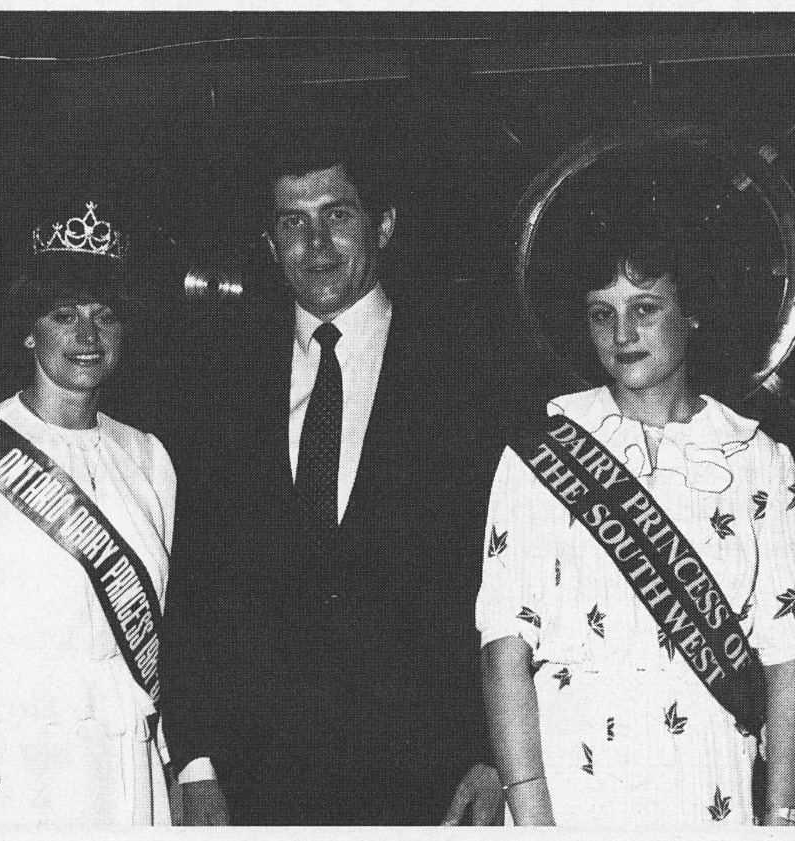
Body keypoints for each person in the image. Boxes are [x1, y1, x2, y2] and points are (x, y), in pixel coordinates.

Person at [160, 144, 515, 825]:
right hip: (256, 786)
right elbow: (197, 582)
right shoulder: (219, 382)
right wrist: (197, 760)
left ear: (383, 225)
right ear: (270, 245)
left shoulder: (467, 369)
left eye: (337, 214)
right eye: (293, 223)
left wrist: (491, 751)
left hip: (430, 782)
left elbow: (510, 578)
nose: (316, 243)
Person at [478, 231, 795, 826]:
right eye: (601, 313)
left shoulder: (759, 458)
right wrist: (531, 813)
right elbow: (505, 649)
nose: (622, 333)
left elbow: (787, 659)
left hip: (710, 775)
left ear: (690, 314)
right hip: (572, 774)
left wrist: (784, 819)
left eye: (644, 308)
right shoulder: (541, 452)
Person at [0, 202, 176, 826]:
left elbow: (159, 639)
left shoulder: (148, 457)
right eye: (65, 315)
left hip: (127, 766)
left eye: (105, 316)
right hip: (18, 778)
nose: (87, 337)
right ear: (29, 330)